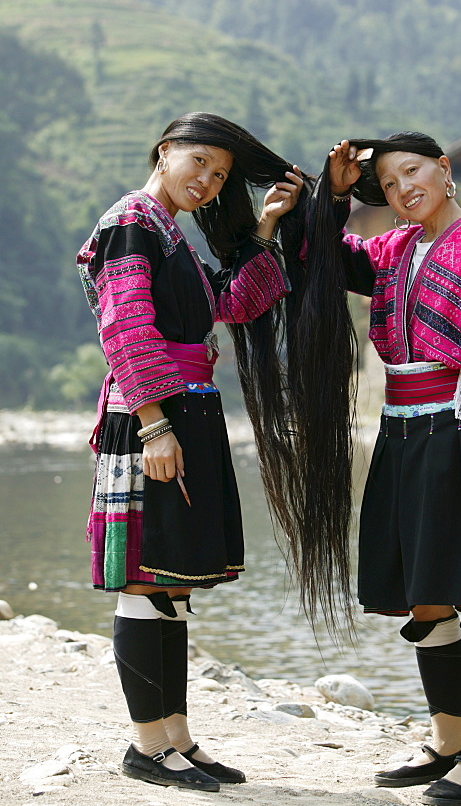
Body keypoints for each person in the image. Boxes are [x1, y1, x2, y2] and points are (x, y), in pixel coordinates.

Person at [77, 113, 309, 792]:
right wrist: (154, 425)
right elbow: (125, 328)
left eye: (218, 175)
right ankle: (148, 747)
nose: (206, 181)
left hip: (188, 411)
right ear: (165, 150)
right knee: (147, 581)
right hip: (153, 415)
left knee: (170, 584)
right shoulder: (131, 220)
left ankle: (176, 737)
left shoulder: (167, 231)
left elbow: (231, 304)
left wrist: (265, 225)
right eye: (199, 162)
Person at [322, 133, 461, 806]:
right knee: (425, 594)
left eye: (411, 172)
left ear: (444, 170)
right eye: (387, 184)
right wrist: (333, 194)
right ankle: (446, 742)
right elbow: (323, 260)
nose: (402, 189)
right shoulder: (392, 250)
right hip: (400, 435)